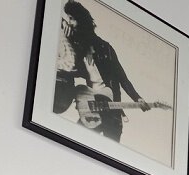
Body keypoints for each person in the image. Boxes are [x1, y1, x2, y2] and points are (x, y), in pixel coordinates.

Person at [54, 0, 150, 141]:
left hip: (111, 111)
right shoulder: (76, 49)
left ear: (82, 21)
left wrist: (137, 98)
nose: (70, 23)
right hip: (91, 107)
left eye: (72, 19)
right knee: (75, 142)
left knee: (111, 152)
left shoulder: (105, 48)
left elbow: (122, 78)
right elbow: (65, 66)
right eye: (68, 19)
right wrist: (60, 26)